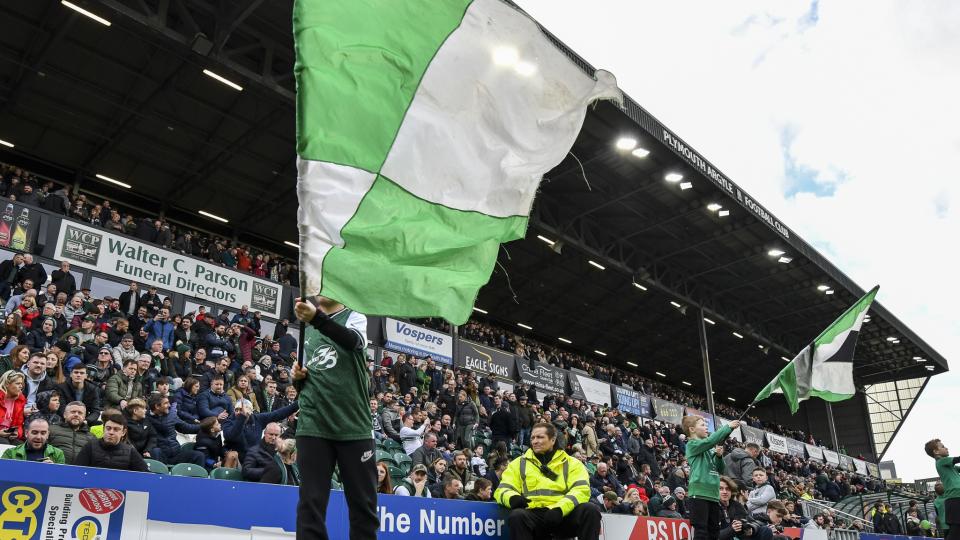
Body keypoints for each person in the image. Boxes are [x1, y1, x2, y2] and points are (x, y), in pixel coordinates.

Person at [291, 296, 378, 539]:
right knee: (310, 504)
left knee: (363, 506)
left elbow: (352, 342)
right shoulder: (306, 331)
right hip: (313, 424)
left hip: (353, 425)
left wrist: (316, 318)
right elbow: (309, 378)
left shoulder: (355, 316)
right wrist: (296, 379)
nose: (322, 288)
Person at [494, 422, 600, 540]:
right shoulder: (518, 463)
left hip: (562, 514)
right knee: (517, 516)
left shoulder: (572, 463)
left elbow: (581, 490)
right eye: (533, 438)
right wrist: (512, 498)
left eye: (540, 437)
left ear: (553, 440)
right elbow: (502, 489)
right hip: (533, 513)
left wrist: (560, 509)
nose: (535, 441)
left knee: (590, 510)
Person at [683, 415, 740, 540]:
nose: (706, 428)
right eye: (702, 425)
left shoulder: (709, 449)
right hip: (699, 494)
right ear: (692, 429)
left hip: (713, 495)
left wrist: (719, 457)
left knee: (714, 532)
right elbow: (709, 442)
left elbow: (719, 469)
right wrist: (728, 427)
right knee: (702, 532)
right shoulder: (692, 445)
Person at [73, 412, 149, 472]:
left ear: (123, 432)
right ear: (103, 429)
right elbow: (76, 471)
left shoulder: (130, 451)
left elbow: (145, 476)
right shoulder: (90, 446)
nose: (111, 432)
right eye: (108, 428)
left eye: (116, 429)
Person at [926, 439, 960, 540]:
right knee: (956, 529)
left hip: (956, 498)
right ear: (936, 452)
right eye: (943, 446)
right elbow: (957, 459)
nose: (946, 448)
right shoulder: (940, 461)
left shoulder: (950, 466)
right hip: (955, 498)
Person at [0, 417, 65, 463]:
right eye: (34, 432)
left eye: (43, 433)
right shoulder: (10, 453)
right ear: (26, 433)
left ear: (47, 435)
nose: (38, 437)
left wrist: (53, 470)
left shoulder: (58, 454)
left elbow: (61, 480)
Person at [0, 370, 26, 444]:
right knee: (4, 444)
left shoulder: (19, 401)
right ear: (7, 384)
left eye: (21, 383)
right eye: (18, 383)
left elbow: (19, 424)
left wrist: (17, 433)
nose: (21, 386)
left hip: (8, 435)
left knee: (21, 446)